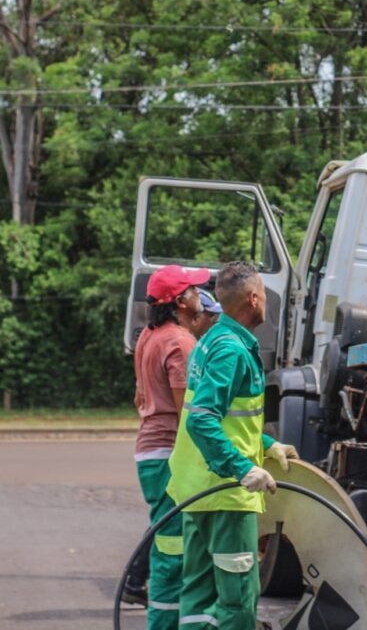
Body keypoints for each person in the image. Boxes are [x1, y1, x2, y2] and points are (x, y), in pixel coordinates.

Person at [166, 261, 299, 630]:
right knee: (238, 599)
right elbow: (202, 418)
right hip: (225, 495)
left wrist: (267, 445)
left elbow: (226, 419)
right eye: (264, 296)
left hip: (198, 490)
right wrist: (242, 469)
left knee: (198, 598)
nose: (266, 304)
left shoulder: (211, 340)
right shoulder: (232, 351)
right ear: (254, 299)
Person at [129, 264, 213, 630]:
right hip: (168, 454)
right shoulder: (180, 342)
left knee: (168, 543)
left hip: (149, 449)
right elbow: (188, 415)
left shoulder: (149, 335)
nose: (200, 295)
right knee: (172, 550)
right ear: (181, 301)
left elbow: (139, 395)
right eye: (195, 290)